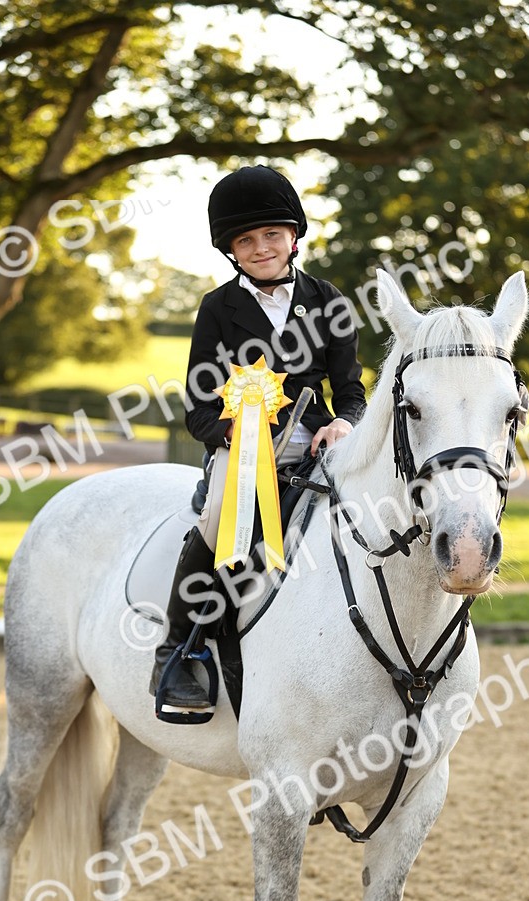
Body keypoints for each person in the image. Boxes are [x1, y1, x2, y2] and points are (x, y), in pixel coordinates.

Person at [151, 165, 366, 715]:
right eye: (246, 240)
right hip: (240, 450)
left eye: (272, 234)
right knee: (220, 514)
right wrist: (236, 436)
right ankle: (181, 649)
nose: (261, 247)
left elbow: (350, 391)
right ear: (231, 250)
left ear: (294, 237)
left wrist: (343, 421)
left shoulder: (329, 301)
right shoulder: (216, 309)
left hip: (317, 444)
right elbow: (198, 406)